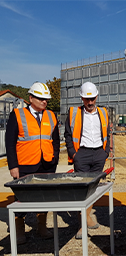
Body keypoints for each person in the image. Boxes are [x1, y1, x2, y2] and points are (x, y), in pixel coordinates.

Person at [6, 82, 59, 244]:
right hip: (24, 165)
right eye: (41, 98)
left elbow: (55, 140)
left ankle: (41, 227)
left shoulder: (51, 115)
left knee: (45, 197)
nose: (44, 102)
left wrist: (54, 159)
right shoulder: (17, 114)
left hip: (46, 164)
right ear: (31, 98)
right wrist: (13, 166)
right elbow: (10, 142)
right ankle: (19, 231)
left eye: (46, 99)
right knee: (21, 198)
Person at [64, 81, 110, 239]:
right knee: (83, 190)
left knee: (94, 188)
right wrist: (73, 153)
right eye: (86, 99)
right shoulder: (73, 112)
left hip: (99, 154)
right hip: (81, 154)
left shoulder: (103, 112)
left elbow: (107, 133)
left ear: (96, 96)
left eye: (92, 99)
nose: (90, 102)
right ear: (81, 98)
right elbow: (68, 135)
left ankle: (87, 217)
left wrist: (105, 152)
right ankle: (83, 225)